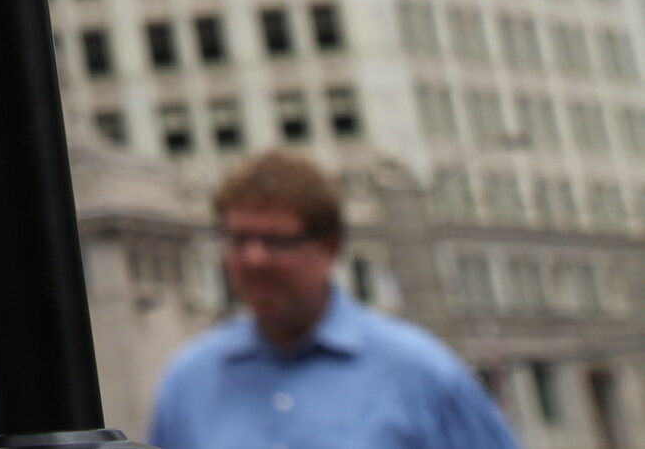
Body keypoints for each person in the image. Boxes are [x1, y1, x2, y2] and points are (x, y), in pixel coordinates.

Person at [147, 149, 519, 449]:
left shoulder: (421, 372)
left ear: (329, 247)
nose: (253, 259)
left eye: (276, 241)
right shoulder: (188, 382)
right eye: (239, 240)